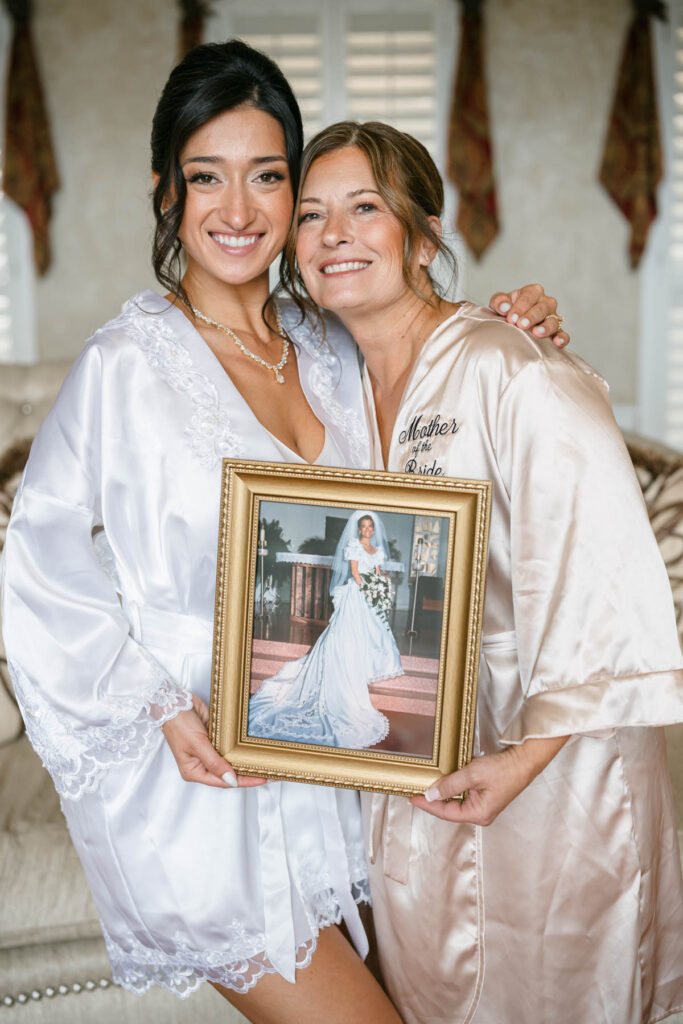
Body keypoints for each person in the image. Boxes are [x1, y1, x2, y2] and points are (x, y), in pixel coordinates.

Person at [0, 39, 567, 1024]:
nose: (237, 208)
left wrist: (517, 319)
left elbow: (435, 388)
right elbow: (39, 564)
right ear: (164, 191)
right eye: (204, 177)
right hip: (212, 797)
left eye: (267, 176)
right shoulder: (126, 365)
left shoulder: (329, 338)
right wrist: (160, 705)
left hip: (352, 768)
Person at [288, 120, 683, 1024]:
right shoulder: (328, 387)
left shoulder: (516, 370)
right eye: (311, 215)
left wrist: (523, 760)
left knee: (552, 982)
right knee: (433, 984)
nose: (333, 233)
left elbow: (602, 574)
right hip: (411, 750)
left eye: (364, 208)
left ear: (425, 238)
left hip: (547, 755)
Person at [249, 510, 401, 748]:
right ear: (359, 529)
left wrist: (380, 589)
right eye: (364, 526)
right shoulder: (354, 546)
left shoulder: (377, 550)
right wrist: (368, 589)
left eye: (371, 526)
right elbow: (354, 572)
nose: (368, 530)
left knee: (367, 637)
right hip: (356, 594)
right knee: (344, 636)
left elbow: (378, 573)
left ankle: (357, 670)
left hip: (369, 597)